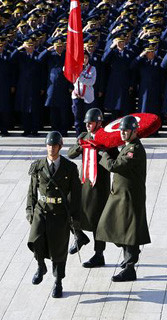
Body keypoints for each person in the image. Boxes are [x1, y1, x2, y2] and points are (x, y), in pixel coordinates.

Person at [26, 131, 81, 298]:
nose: (51, 148)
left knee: (58, 250)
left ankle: (58, 281)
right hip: (41, 211)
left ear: (60, 147)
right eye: (49, 145)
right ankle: (40, 265)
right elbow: (32, 191)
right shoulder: (38, 166)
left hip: (59, 213)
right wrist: (29, 210)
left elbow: (76, 195)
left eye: (54, 146)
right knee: (34, 240)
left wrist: (75, 218)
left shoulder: (69, 168)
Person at [96, 116, 151, 282]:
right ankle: (131, 254)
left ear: (134, 131)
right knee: (111, 227)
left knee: (129, 232)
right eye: (121, 130)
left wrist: (103, 154)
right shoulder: (127, 147)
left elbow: (115, 166)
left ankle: (130, 266)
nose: (122, 133)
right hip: (121, 195)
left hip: (130, 197)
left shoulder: (134, 150)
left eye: (126, 131)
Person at [66, 108, 109, 268]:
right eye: (86, 124)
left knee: (97, 220)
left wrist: (101, 149)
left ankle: (99, 254)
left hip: (99, 185)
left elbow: (112, 157)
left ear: (99, 122)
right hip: (83, 182)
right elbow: (70, 154)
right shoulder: (84, 136)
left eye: (91, 123)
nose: (88, 126)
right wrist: (80, 146)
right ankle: (79, 235)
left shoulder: (106, 137)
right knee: (67, 206)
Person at [71, 53, 97, 135]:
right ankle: (78, 136)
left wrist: (81, 78)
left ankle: (88, 135)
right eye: (83, 58)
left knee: (88, 118)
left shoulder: (92, 69)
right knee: (77, 117)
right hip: (77, 96)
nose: (84, 60)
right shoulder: (75, 68)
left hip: (88, 97)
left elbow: (91, 82)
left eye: (86, 58)